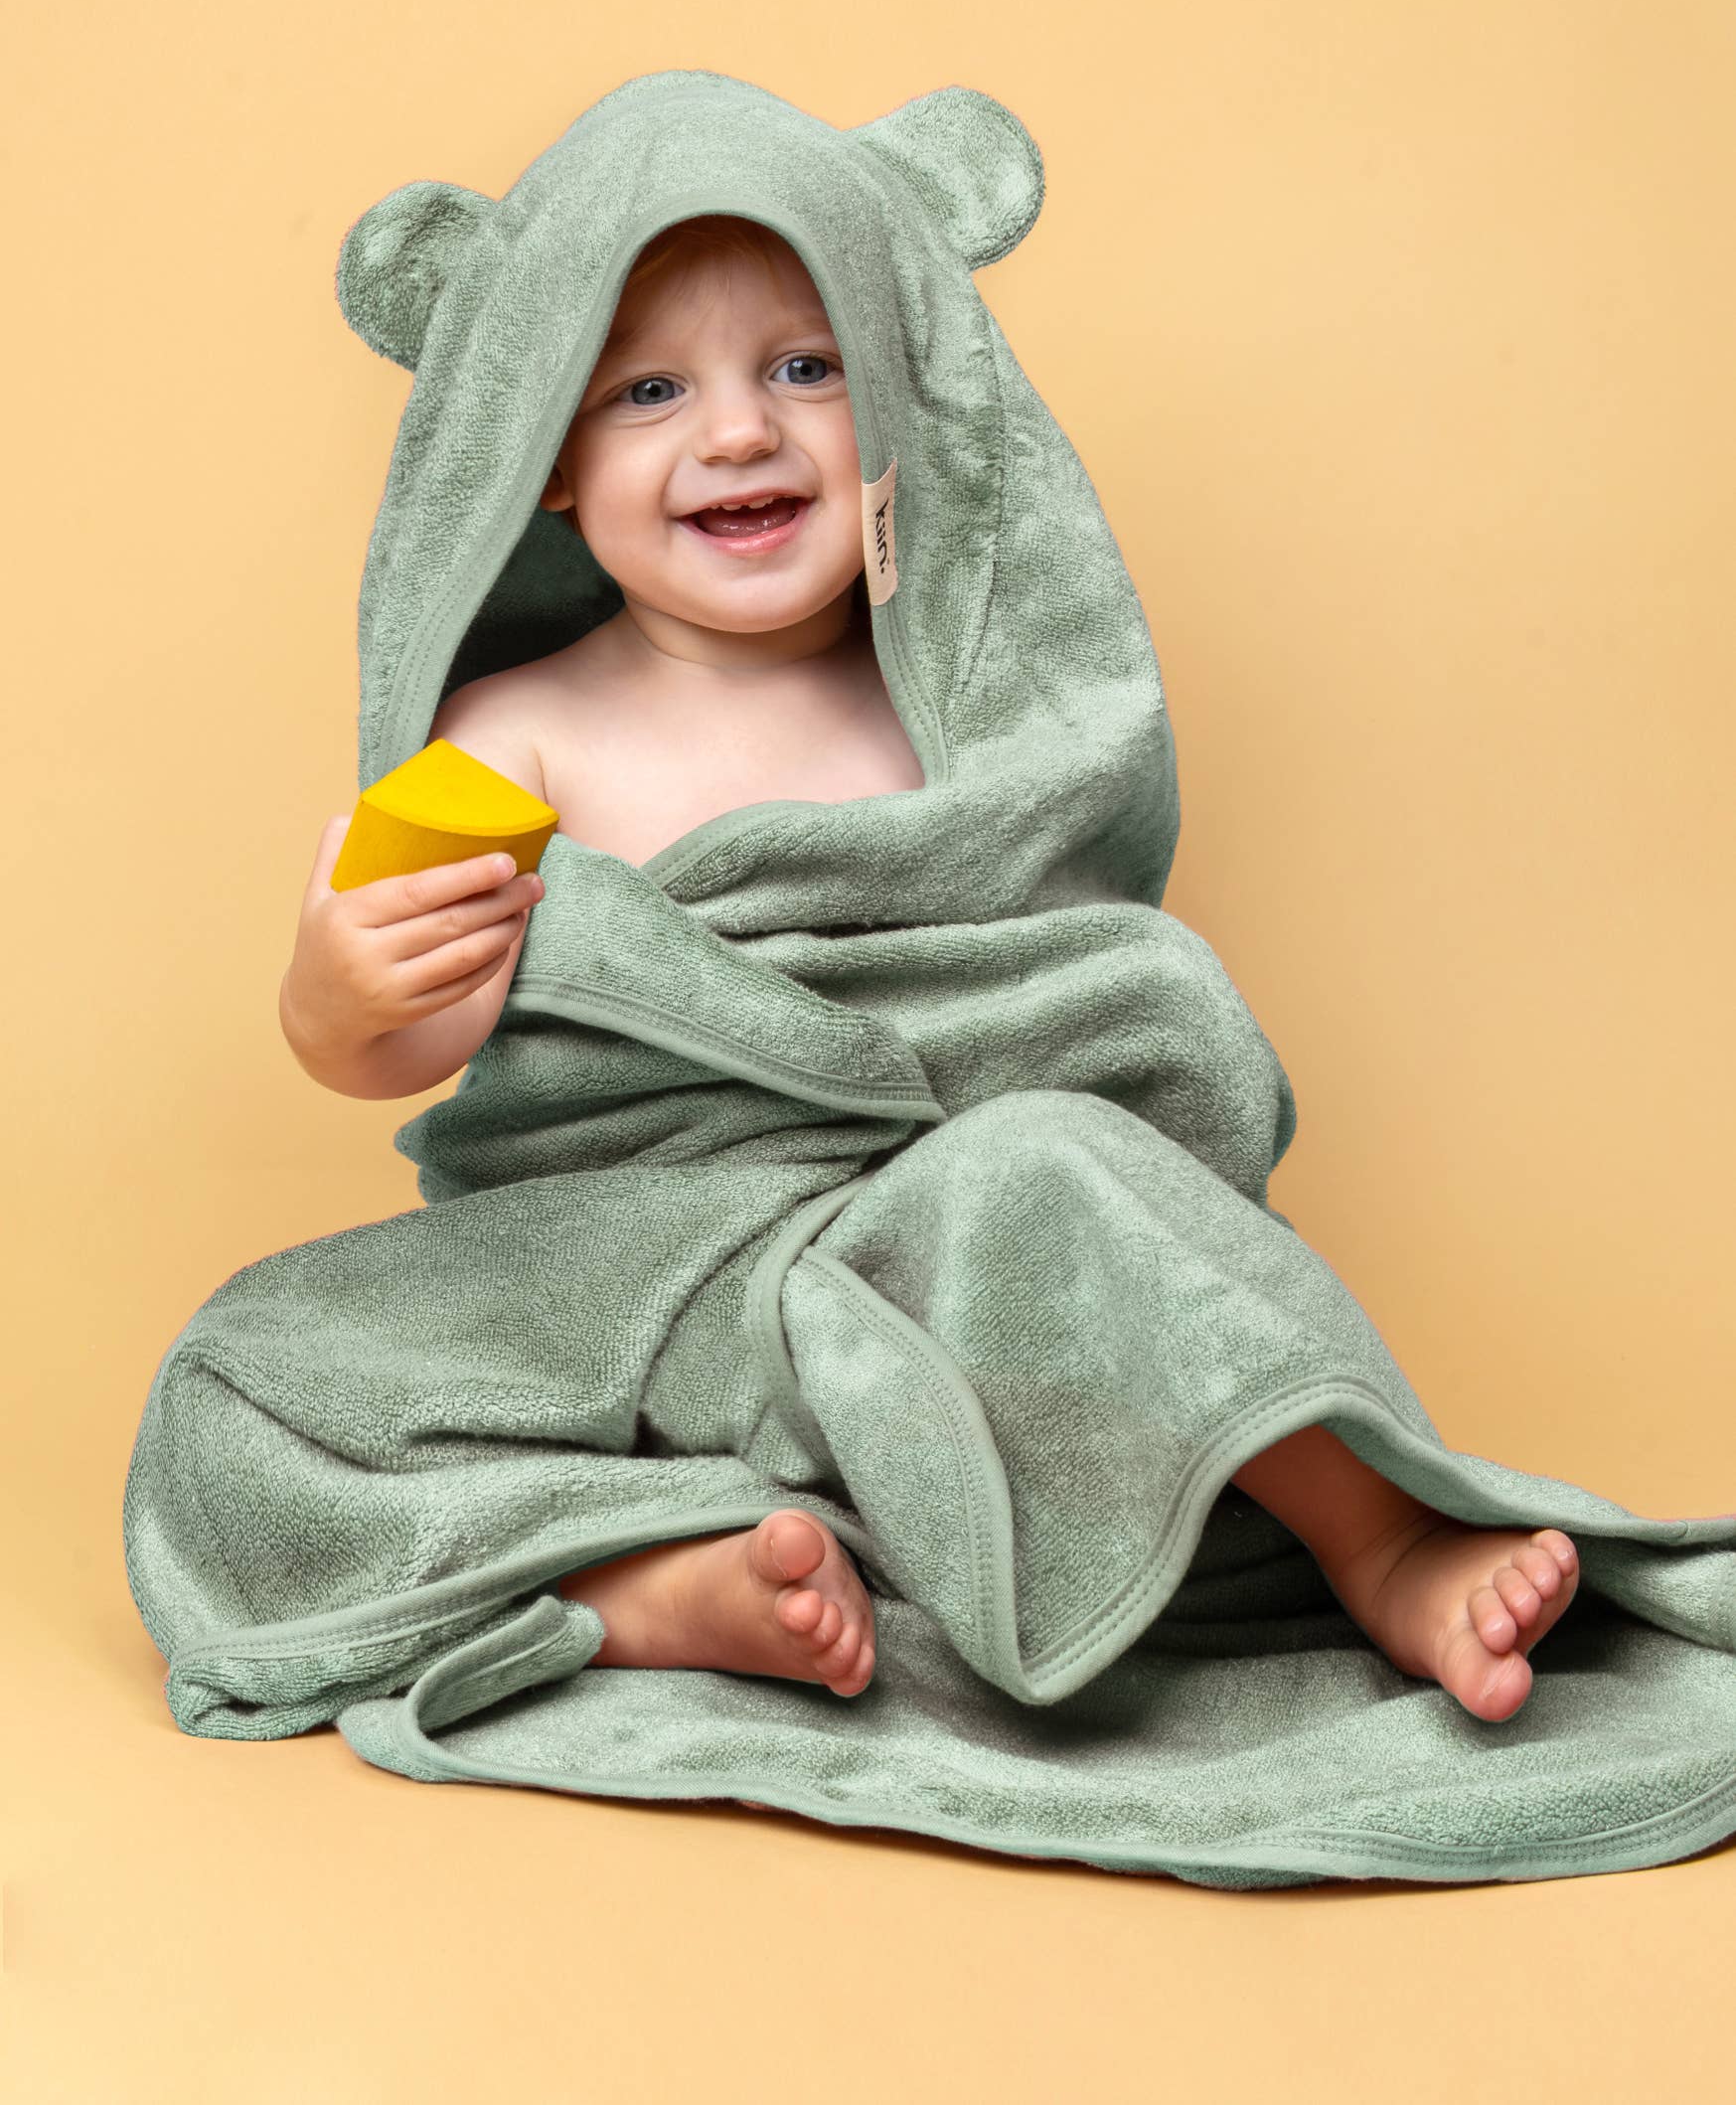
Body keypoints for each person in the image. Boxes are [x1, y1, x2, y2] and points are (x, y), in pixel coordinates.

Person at [278, 211, 1579, 1724]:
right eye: (650, 392)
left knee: (1053, 1166)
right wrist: (334, 994)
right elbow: (394, 1036)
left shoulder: (962, 717)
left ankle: (1388, 1533)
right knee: (247, 1392)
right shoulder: (510, 734)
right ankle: (642, 1594)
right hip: (641, 1310)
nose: (740, 430)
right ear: (551, 463)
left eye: (804, 365)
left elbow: (1065, 986)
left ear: (896, 401)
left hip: (934, 1287)